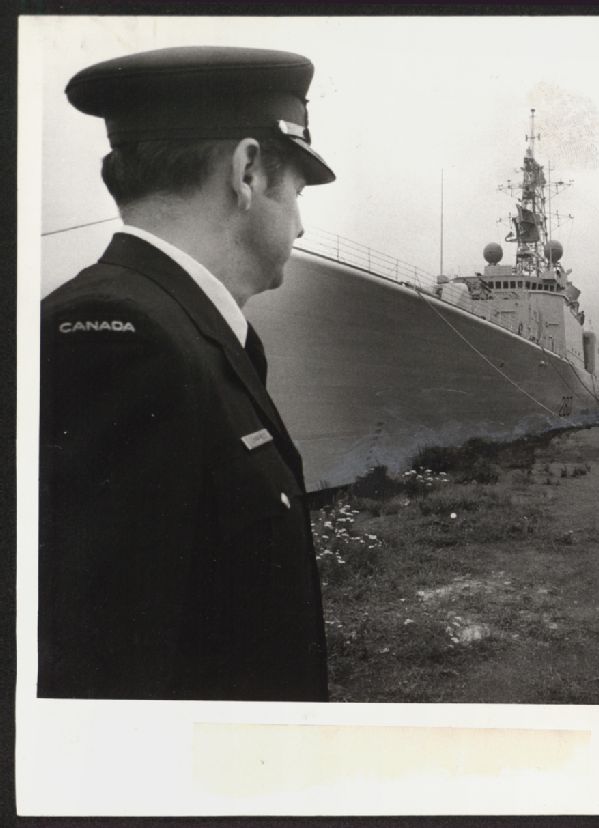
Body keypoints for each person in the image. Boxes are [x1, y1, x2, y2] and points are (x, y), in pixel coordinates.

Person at [38, 47, 337, 701]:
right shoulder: (122, 340)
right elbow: (98, 680)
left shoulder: (181, 329)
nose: (302, 225)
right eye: (297, 192)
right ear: (247, 172)